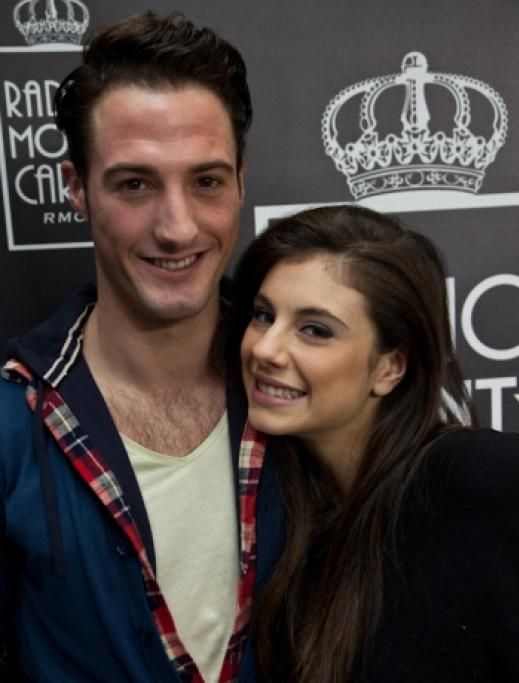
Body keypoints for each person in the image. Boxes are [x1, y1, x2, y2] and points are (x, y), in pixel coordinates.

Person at [0, 11, 286, 683]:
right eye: (135, 184)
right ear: (76, 187)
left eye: (206, 181)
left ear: (241, 181)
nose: (177, 227)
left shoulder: (309, 385)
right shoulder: (13, 417)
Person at [228, 204, 519, 682]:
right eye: (263, 315)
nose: (265, 349)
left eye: (314, 330)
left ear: (390, 368)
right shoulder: (282, 517)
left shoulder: (478, 479)